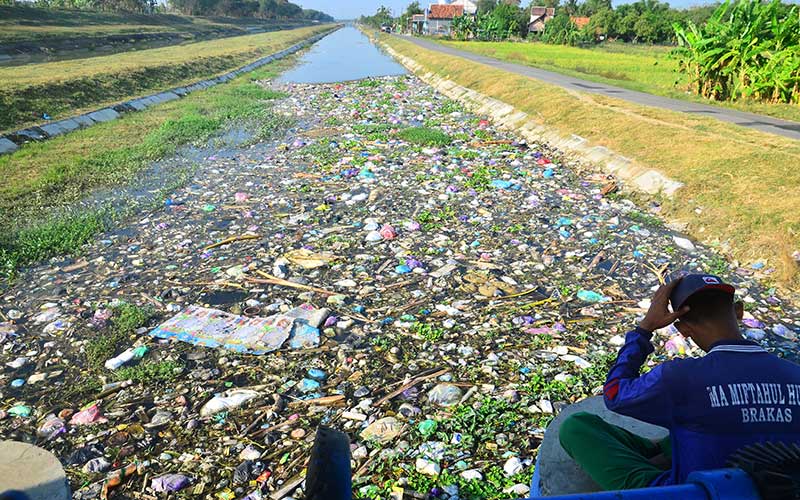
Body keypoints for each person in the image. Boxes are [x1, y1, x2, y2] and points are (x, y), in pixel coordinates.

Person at [559, 274, 800, 491]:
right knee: (699, 425)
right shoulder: (795, 374)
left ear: (682, 328)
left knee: (577, 428)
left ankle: (658, 469)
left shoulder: (679, 377)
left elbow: (614, 393)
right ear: (739, 311)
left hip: (697, 493)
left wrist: (644, 329)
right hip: (781, 488)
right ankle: (664, 450)